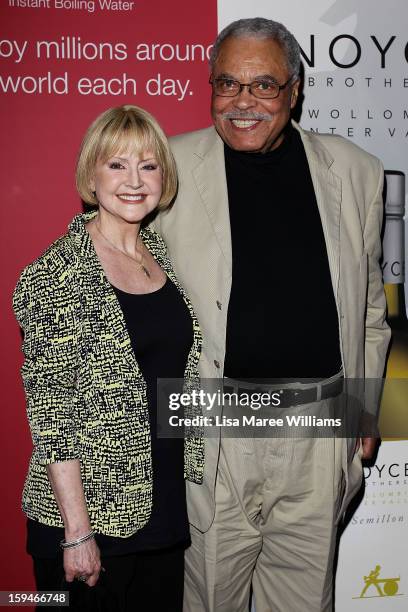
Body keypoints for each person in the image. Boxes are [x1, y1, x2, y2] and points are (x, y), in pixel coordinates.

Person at [152, 17, 390, 612]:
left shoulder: (356, 171)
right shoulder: (164, 167)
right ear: (209, 86)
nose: (244, 102)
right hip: (212, 422)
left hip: (320, 421)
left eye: (264, 86)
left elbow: (370, 313)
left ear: (295, 90)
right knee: (209, 600)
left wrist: (366, 410)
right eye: (228, 84)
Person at [13, 104, 203, 612]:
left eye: (148, 164)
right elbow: (54, 413)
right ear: (89, 176)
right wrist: (77, 532)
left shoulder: (159, 258)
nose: (135, 180)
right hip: (86, 520)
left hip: (161, 507)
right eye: (117, 165)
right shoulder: (56, 274)